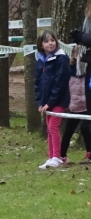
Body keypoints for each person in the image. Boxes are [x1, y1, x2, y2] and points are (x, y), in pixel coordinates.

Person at [35, 30, 71, 169]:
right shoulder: (41, 60)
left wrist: (50, 102)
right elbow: (37, 83)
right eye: (46, 41)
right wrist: (40, 103)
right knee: (49, 128)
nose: (50, 43)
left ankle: (58, 156)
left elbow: (60, 82)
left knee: (53, 127)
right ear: (41, 44)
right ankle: (51, 157)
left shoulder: (61, 59)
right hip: (46, 102)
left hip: (59, 100)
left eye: (52, 40)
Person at [60, 44, 91, 165]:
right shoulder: (68, 69)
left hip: (87, 107)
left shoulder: (88, 71)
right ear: (73, 55)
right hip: (74, 107)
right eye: (77, 54)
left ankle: (89, 153)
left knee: (84, 128)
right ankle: (62, 156)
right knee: (68, 131)